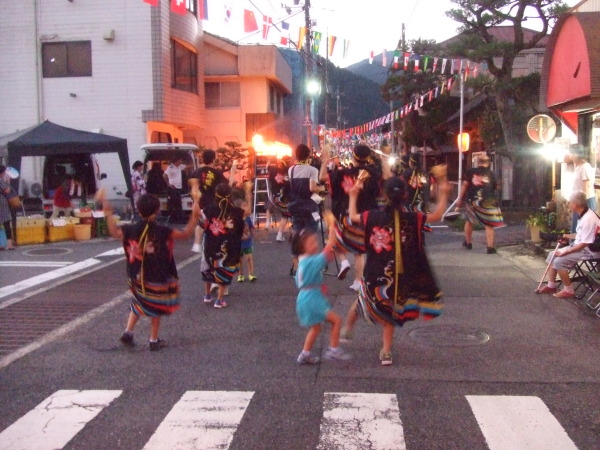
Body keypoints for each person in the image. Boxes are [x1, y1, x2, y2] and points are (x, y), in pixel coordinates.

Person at [340, 168, 450, 366]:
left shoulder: (372, 216)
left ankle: (347, 329)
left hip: (374, 271)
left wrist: (354, 194)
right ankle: (386, 352)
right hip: (399, 275)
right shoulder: (413, 218)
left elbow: (353, 215)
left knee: (363, 299)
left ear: (384, 194)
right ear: (406, 195)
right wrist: (443, 191)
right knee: (389, 313)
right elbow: (438, 214)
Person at [96, 190, 200, 351]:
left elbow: (114, 232)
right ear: (157, 211)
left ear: (138, 210)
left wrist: (108, 211)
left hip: (136, 275)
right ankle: (153, 340)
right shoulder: (162, 230)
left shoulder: (130, 229)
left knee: (139, 300)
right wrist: (194, 215)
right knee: (156, 306)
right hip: (157, 276)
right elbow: (185, 234)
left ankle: (128, 333)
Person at [321, 144, 391, 290]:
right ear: (368, 157)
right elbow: (388, 178)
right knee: (362, 250)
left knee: (335, 239)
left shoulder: (343, 173)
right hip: (369, 215)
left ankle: (346, 264)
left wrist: (325, 160)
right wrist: (384, 158)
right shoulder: (373, 173)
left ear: (353, 155)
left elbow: (322, 177)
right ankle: (360, 280)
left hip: (348, 214)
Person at [293, 220, 351, 365]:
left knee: (316, 327)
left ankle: (305, 354)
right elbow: (328, 252)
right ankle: (334, 350)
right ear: (302, 247)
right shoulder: (310, 262)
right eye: (312, 242)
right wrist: (333, 231)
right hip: (312, 299)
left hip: (304, 298)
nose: (316, 244)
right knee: (336, 321)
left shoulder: (303, 261)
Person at [536, 190, 600, 299]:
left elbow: (585, 243)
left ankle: (568, 290)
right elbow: (581, 235)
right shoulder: (583, 214)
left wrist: (566, 251)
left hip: (590, 250)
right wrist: (568, 236)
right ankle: (551, 285)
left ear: (575, 204)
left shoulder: (588, 219)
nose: (569, 204)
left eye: (570, 202)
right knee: (553, 254)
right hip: (581, 246)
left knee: (559, 261)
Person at [200, 183, 245, 308]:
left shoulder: (208, 209)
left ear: (216, 194)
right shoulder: (236, 212)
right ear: (230, 195)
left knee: (208, 267)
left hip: (210, 244)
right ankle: (219, 300)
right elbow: (240, 230)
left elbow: (201, 224)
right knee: (223, 270)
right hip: (226, 246)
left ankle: (207, 295)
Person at [287, 144, 326, 275]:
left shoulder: (291, 170)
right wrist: (322, 189)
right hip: (310, 207)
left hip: (296, 207)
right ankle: (310, 267)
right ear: (308, 155)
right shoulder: (312, 170)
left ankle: (296, 267)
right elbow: (312, 188)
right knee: (311, 236)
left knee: (296, 236)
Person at [456, 153, 504, 254]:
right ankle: (490, 247)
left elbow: (465, 185)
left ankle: (468, 243)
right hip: (488, 201)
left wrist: (459, 199)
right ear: (488, 163)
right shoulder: (492, 174)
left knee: (469, 221)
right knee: (489, 224)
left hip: (472, 200)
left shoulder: (470, 172)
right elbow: (497, 187)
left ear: (478, 163)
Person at [189, 149, 227, 253]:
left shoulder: (195, 172)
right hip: (213, 204)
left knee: (200, 224)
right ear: (213, 159)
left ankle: (197, 244)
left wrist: (195, 200)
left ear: (203, 159)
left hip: (200, 203)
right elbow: (226, 186)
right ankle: (214, 246)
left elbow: (192, 187)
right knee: (215, 225)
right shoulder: (217, 173)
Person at [569, 144, 597, 233]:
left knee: (585, 228)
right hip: (578, 201)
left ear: (576, 154)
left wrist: (581, 203)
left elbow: (587, 186)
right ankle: (574, 245)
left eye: (570, 153)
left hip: (585, 201)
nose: (569, 156)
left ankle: (582, 246)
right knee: (576, 227)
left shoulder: (585, 167)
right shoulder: (578, 167)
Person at [268, 155, 292, 242]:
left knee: (284, 216)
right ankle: (294, 235)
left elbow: (268, 166)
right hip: (285, 198)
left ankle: (280, 235)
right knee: (294, 215)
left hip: (276, 197)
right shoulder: (286, 171)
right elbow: (288, 184)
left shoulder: (272, 170)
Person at [236, 199, 257, 282]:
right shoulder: (236, 219)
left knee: (249, 258)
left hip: (248, 242)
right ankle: (240, 274)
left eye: (247, 206)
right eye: (244, 206)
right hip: (239, 243)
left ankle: (251, 273)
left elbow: (251, 227)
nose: (247, 208)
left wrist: (254, 234)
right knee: (239, 259)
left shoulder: (248, 218)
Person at [163, 157, 186, 223]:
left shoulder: (179, 166)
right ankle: (173, 219)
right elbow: (164, 175)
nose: (181, 161)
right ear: (177, 160)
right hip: (172, 189)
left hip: (178, 189)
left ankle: (179, 219)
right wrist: (168, 184)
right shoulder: (170, 168)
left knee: (178, 204)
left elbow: (187, 167)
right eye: (180, 159)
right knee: (173, 204)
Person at [0, 165, 16, 250]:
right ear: (2, 173)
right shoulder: (1, 181)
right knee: (6, 223)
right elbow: (7, 191)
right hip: (2, 203)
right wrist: (8, 182)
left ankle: (0, 244)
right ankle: (9, 244)